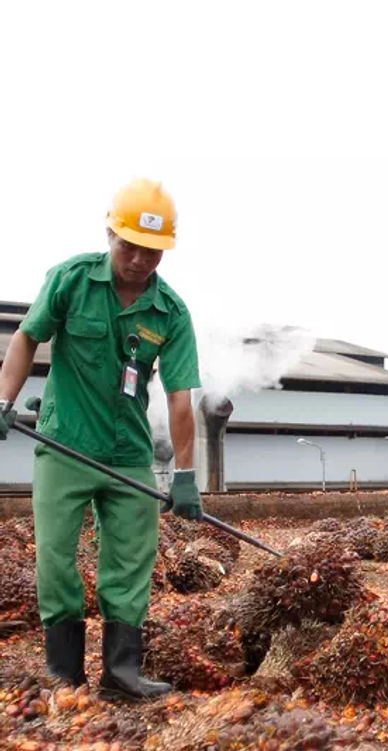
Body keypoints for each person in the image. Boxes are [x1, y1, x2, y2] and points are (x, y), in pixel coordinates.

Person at [0, 179, 203, 699]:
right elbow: (27, 336)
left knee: (132, 561)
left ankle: (122, 673)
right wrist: (3, 399)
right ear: (110, 232)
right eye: (128, 244)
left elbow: (181, 397)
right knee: (55, 557)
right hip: (65, 444)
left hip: (129, 454)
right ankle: (64, 672)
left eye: (151, 251)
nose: (138, 259)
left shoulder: (171, 313)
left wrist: (184, 475)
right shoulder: (71, 280)